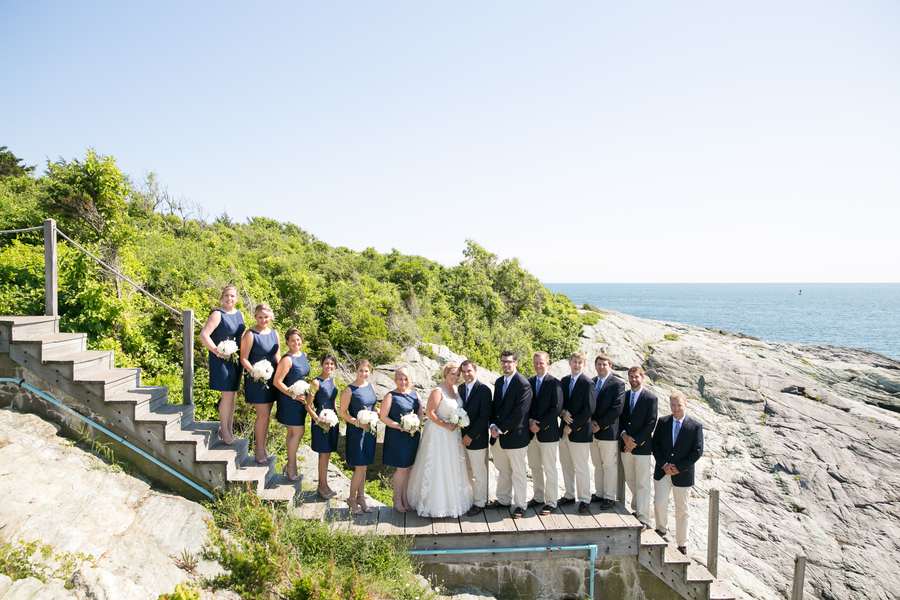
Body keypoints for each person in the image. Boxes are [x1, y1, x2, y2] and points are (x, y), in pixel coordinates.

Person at [407, 363, 474, 518]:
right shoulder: (438, 391)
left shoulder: (456, 390)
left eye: (457, 375)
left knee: (452, 465)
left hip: (453, 434)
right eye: (453, 374)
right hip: (438, 433)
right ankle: (436, 504)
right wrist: (445, 424)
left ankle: (453, 502)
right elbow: (429, 413)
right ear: (445, 374)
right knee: (438, 465)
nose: (455, 377)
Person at [652, 391, 703, 555]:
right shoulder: (663, 422)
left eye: (679, 405)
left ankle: (682, 543)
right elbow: (655, 444)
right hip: (663, 471)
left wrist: (679, 468)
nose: (676, 408)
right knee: (660, 503)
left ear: (685, 405)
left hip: (683, 474)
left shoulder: (695, 426)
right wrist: (664, 465)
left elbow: (697, 451)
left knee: (682, 510)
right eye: (673, 405)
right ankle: (661, 529)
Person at [486, 351, 533, 519]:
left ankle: (520, 505)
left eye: (509, 362)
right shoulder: (499, 382)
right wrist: (492, 425)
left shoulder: (523, 384)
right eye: (503, 361)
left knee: (518, 472)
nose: (505, 364)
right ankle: (504, 499)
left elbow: (519, 412)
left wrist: (501, 429)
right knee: (503, 470)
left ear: (516, 363)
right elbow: (495, 407)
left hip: (515, 436)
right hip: (497, 435)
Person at [198, 285, 245, 446]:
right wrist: (218, 352)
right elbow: (204, 335)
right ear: (222, 297)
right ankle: (223, 431)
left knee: (232, 396)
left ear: (237, 298)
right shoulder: (217, 314)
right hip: (221, 360)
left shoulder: (240, 314)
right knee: (227, 396)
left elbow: (241, 336)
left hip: (235, 360)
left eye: (232, 296)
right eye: (226, 295)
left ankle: (229, 429)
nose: (229, 298)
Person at [557, 352, 597, 514]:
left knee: (581, 468)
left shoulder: (588, 383)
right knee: (566, 465)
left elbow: (589, 409)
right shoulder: (564, 381)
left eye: (580, 363)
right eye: (574, 362)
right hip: (563, 431)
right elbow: (559, 403)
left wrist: (572, 427)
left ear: (584, 365)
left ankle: (585, 499)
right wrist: (562, 413)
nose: (576, 365)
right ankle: (569, 494)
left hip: (580, 433)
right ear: (570, 362)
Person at [239, 303, 280, 464]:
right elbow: (243, 358)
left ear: (271, 317)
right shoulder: (250, 334)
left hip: (272, 378)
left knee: (267, 416)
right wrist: (253, 372)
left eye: (266, 317)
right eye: (260, 317)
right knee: (262, 415)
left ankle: (263, 448)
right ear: (255, 317)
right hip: (256, 379)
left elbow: (277, 356)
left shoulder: (274, 333)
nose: (263, 320)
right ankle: (258, 451)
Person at [619, 365, 658, 529]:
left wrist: (634, 442)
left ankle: (643, 518)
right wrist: (624, 436)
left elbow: (651, 423)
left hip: (641, 447)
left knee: (643, 483)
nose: (633, 379)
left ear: (642, 378)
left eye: (636, 377)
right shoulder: (624, 396)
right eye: (631, 377)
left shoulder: (651, 398)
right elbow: (619, 418)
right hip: (625, 445)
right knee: (631, 480)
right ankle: (636, 510)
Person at [380, 367, 423, 513]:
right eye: (400, 379)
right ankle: (397, 499)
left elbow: (420, 414)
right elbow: (383, 417)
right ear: (395, 380)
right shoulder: (390, 396)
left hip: (412, 436)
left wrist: (416, 425)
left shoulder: (415, 394)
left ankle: (405, 498)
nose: (403, 382)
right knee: (401, 469)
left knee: (407, 468)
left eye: (405, 379)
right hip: (397, 437)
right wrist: (400, 426)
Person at [527, 351, 563, 515]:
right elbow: (525, 406)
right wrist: (530, 421)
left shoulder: (555, 383)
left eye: (541, 363)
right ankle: (538, 497)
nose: (538, 365)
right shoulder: (529, 382)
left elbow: (556, 409)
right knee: (535, 466)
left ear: (547, 363)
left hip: (548, 433)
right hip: (531, 432)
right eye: (536, 362)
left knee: (550, 468)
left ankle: (551, 501)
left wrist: (539, 425)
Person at [340, 359, 378, 515]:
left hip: (370, 431)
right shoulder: (349, 390)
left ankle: (361, 498)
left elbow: (373, 406)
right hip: (356, 432)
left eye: (366, 371)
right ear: (356, 371)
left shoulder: (371, 386)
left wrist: (379, 413)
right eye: (361, 370)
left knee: (365, 467)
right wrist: (357, 423)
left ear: (369, 372)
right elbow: (343, 413)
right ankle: (351, 499)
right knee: (360, 468)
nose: (363, 373)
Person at [272, 328, 310, 482]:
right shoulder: (287, 360)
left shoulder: (303, 355)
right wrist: (292, 394)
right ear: (287, 342)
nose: (296, 343)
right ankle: (291, 467)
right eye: (292, 340)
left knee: (292, 434)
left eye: (298, 339)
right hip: (290, 400)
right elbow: (277, 381)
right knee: (298, 433)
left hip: (300, 400)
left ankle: (289, 466)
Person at [590, 354, 626, 509]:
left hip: (608, 431)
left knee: (609, 465)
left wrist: (599, 424)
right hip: (592, 431)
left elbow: (617, 409)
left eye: (604, 364)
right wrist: (590, 424)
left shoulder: (618, 384)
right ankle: (599, 493)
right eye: (599, 364)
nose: (601, 367)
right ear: (595, 365)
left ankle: (609, 496)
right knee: (597, 464)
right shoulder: (591, 382)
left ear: (610, 366)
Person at [458, 359, 492, 516]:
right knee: (466, 471)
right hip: (461, 438)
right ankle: (470, 499)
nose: (466, 374)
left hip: (477, 438)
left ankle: (480, 502)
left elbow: (484, 417)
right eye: (464, 372)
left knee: (479, 472)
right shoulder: (460, 388)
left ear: (475, 371)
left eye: (469, 371)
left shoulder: (484, 390)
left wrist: (471, 436)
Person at [305, 354, 339, 499]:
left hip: (332, 421)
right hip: (321, 421)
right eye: (326, 363)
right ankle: (321, 487)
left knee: (327, 454)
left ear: (334, 366)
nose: (329, 366)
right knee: (323, 455)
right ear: (321, 365)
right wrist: (318, 420)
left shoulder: (332, 380)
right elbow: (307, 405)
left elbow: (332, 400)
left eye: (331, 364)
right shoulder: (315, 382)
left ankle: (324, 484)